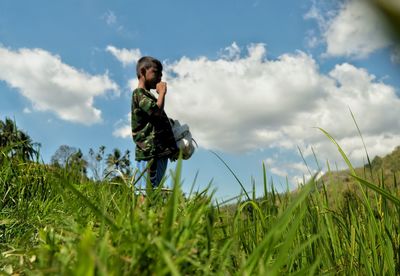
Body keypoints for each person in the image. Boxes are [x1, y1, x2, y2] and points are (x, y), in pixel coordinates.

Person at [131, 56, 178, 188]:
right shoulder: (139, 94)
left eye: (161, 75)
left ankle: (149, 209)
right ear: (143, 71)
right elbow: (156, 112)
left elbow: (155, 120)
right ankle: (141, 209)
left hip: (158, 152)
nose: (160, 78)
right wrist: (162, 93)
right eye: (156, 72)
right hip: (150, 153)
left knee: (153, 190)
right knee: (145, 192)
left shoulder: (148, 96)